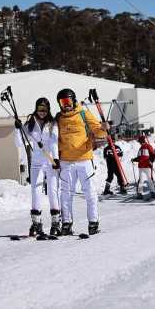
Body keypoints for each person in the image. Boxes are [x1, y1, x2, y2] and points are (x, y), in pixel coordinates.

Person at [55, 88, 109, 236]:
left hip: (84, 159)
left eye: (68, 101)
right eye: (62, 102)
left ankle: (93, 223)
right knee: (65, 194)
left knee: (89, 192)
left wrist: (104, 129)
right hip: (66, 161)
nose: (66, 104)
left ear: (73, 100)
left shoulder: (84, 113)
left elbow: (97, 130)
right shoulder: (59, 118)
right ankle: (66, 224)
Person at [14, 97, 61, 237]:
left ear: (48, 110)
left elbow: (53, 141)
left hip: (50, 161)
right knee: (35, 190)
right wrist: (17, 129)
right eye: (40, 109)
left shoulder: (52, 123)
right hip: (36, 162)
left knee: (52, 190)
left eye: (45, 110)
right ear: (36, 108)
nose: (42, 112)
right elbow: (19, 143)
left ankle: (55, 223)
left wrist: (55, 159)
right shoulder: (30, 124)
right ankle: (36, 223)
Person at [131, 135, 155, 199]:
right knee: (141, 180)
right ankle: (140, 193)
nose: (139, 142)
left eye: (140, 141)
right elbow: (139, 158)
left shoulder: (148, 146)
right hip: (141, 166)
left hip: (147, 166)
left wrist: (151, 161)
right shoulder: (141, 148)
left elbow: (153, 154)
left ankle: (153, 192)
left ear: (142, 141)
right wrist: (134, 159)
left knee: (149, 179)